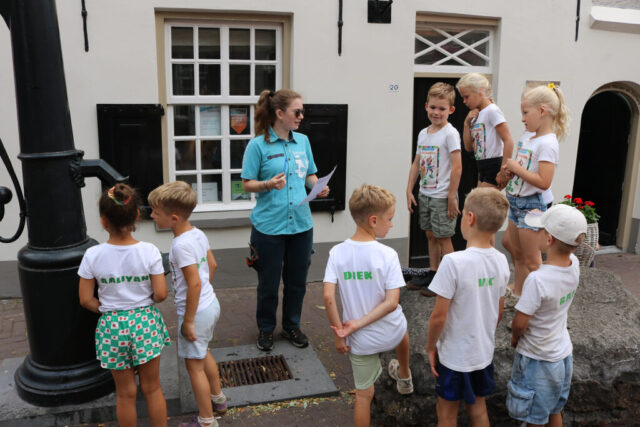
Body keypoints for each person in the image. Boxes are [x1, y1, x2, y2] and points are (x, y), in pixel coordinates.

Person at [241, 89, 329, 352]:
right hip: (269, 227)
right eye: (297, 112)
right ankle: (266, 329)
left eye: (302, 111)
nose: (301, 116)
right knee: (268, 284)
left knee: (297, 282)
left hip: (301, 225)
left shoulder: (303, 141)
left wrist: (318, 186)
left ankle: (292, 326)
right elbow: (247, 183)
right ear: (280, 113)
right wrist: (267, 184)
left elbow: (309, 175)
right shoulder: (258, 145)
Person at [78, 184, 171, 427]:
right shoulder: (149, 251)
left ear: (103, 220)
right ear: (137, 215)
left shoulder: (92, 255)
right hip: (144, 322)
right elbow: (161, 293)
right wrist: (144, 302)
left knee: (125, 393)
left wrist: (105, 309)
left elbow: (86, 299)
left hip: (112, 326)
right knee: (152, 388)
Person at [323, 184, 413, 427]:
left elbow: (328, 297)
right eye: (390, 219)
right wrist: (358, 325)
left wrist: (342, 333)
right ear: (374, 220)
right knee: (402, 326)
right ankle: (404, 375)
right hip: (392, 333)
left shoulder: (336, 253)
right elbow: (392, 303)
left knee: (363, 396)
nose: (391, 224)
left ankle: (401, 374)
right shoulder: (388, 254)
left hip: (361, 342)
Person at [425, 187, 510, 426]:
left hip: (454, 356)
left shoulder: (453, 262)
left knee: (446, 413)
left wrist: (430, 347)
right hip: (482, 353)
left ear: (470, 218)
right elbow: (499, 311)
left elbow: (438, 316)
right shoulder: (501, 261)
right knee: (479, 408)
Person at [148, 182, 226, 427]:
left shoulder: (180, 245)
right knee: (203, 352)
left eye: (155, 213)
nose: (151, 216)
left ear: (173, 218)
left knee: (194, 368)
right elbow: (212, 265)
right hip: (210, 305)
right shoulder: (197, 233)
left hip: (196, 313)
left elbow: (194, 283)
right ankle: (218, 399)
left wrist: (189, 321)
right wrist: (203, 293)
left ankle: (206, 421)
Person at [507, 204, 586, 427]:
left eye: (540, 230)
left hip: (537, 359)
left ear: (549, 239)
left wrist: (514, 337)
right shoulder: (574, 264)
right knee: (554, 410)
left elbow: (520, 323)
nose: (537, 233)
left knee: (534, 418)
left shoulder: (537, 280)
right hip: (562, 355)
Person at [502, 83, 570, 298]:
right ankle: (520, 291)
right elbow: (525, 168)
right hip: (516, 201)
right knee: (515, 250)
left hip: (532, 205)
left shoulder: (548, 143)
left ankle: (539, 302)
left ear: (542, 111)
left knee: (532, 262)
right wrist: (511, 171)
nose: (522, 119)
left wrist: (516, 169)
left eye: (525, 113)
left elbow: (544, 181)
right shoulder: (527, 137)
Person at [406, 82, 462, 294]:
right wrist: (409, 190)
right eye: (433, 107)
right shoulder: (423, 133)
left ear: (451, 110)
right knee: (430, 234)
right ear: (426, 106)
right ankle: (433, 272)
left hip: (442, 196)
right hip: (425, 194)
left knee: (443, 237)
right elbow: (416, 163)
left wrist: (451, 197)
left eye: (442, 108)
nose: (436, 112)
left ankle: (450, 281)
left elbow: (457, 167)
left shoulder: (450, 134)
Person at [457, 73, 514, 188]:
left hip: (495, 164)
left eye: (467, 97)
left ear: (480, 91)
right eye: (463, 97)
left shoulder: (492, 110)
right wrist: (466, 124)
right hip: (481, 166)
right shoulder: (475, 115)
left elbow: (508, 140)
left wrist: (503, 170)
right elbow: (468, 147)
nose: (464, 101)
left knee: (478, 199)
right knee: (480, 199)